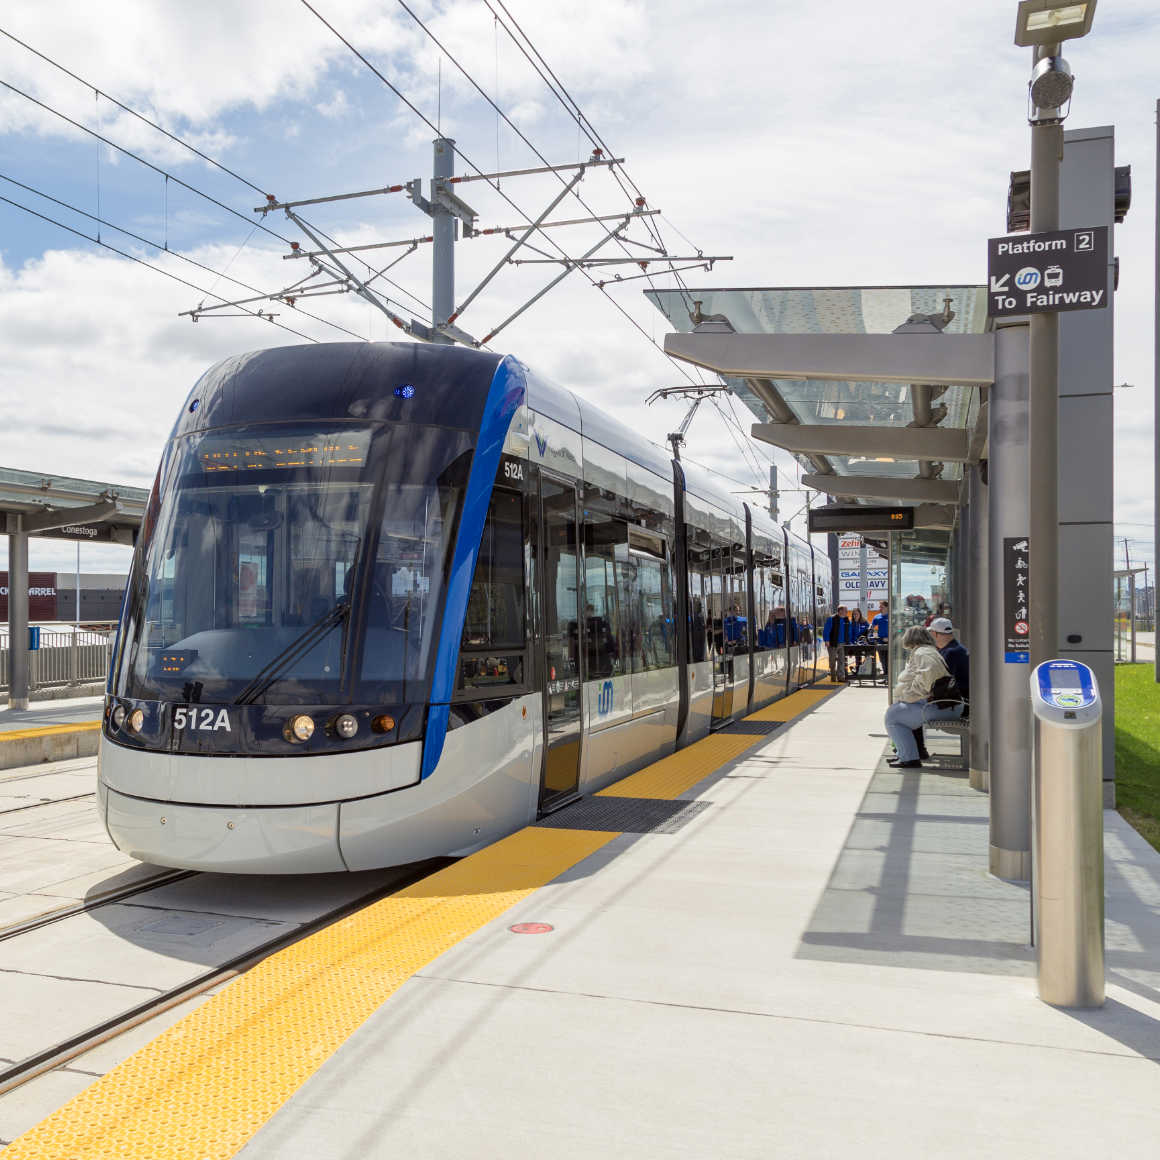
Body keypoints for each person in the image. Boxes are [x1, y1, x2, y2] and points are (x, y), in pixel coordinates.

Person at [883, 625, 952, 768]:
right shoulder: (926, 651)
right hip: (942, 703)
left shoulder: (922, 653)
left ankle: (909, 758)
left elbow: (927, 679)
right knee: (898, 712)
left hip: (938, 705)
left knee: (893, 716)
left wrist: (908, 695)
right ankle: (906, 755)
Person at [821, 605, 853, 682]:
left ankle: (841, 677)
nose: (846, 612)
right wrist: (827, 640)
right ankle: (833, 676)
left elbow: (849, 632)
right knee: (832, 661)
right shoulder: (831, 619)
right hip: (833, 643)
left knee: (841, 661)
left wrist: (849, 642)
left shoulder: (846, 620)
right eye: (845, 610)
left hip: (843, 643)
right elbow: (826, 630)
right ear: (840, 611)